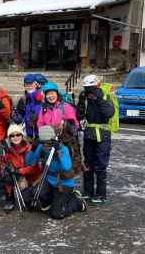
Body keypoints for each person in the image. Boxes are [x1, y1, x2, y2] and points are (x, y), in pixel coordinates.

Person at [25, 126, 87, 219]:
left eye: (48, 142)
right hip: (49, 181)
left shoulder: (62, 148)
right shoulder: (41, 147)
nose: (46, 145)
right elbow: (29, 162)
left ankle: (77, 202)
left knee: (57, 214)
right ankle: (52, 201)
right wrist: (33, 148)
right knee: (35, 194)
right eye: (44, 142)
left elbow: (67, 166)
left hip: (64, 183)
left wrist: (58, 151)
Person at [77, 75, 115, 204]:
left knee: (100, 165)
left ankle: (101, 194)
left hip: (103, 135)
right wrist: (81, 102)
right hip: (89, 134)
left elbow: (109, 113)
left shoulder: (105, 96)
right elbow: (79, 115)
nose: (89, 91)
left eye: (92, 88)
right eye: (87, 88)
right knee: (88, 164)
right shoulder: (85, 97)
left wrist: (98, 98)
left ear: (98, 86)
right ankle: (88, 192)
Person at [36, 82, 81, 174]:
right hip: (49, 142)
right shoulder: (43, 109)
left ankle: (66, 185)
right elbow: (40, 123)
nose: (50, 96)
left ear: (57, 94)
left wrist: (67, 126)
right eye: (48, 94)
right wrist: (44, 134)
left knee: (65, 167)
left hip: (65, 142)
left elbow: (75, 125)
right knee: (51, 167)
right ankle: (51, 184)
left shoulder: (65, 107)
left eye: (52, 93)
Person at [0, 124, 41, 212]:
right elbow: (2, 163)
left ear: (22, 136)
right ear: (9, 138)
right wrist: (4, 168)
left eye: (18, 134)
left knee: (33, 205)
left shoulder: (30, 148)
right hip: (21, 178)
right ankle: (10, 198)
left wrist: (20, 171)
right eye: (12, 135)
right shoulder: (8, 151)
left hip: (33, 178)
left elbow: (33, 166)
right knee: (7, 176)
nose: (15, 137)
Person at [13, 74, 44, 139]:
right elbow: (20, 113)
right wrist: (16, 117)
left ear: (36, 84)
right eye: (27, 84)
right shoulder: (23, 99)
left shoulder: (43, 97)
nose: (29, 86)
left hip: (41, 131)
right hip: (28, 132)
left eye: (31, 84)